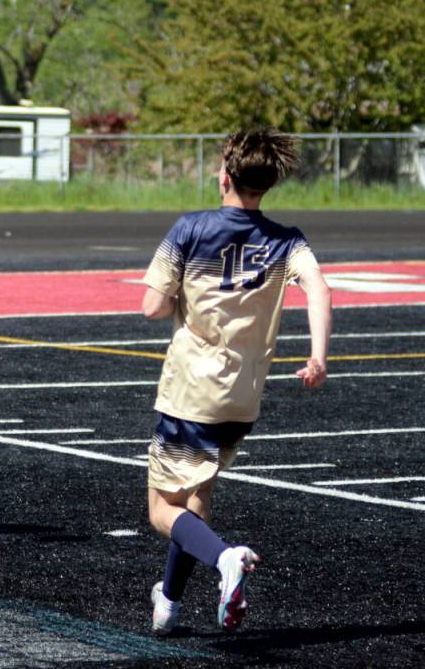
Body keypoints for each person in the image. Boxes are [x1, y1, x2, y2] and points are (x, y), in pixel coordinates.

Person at [141, 128, 332, 635]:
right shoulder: (288, 240)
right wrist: (317, 357)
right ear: (266, 184)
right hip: (242, 401)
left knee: (163, 510)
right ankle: (170, 602)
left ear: (224, 176)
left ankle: (225, 559)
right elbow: (318, 287)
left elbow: (153, 306)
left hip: (190, 393)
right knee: (196, 501)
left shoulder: (190, 228)